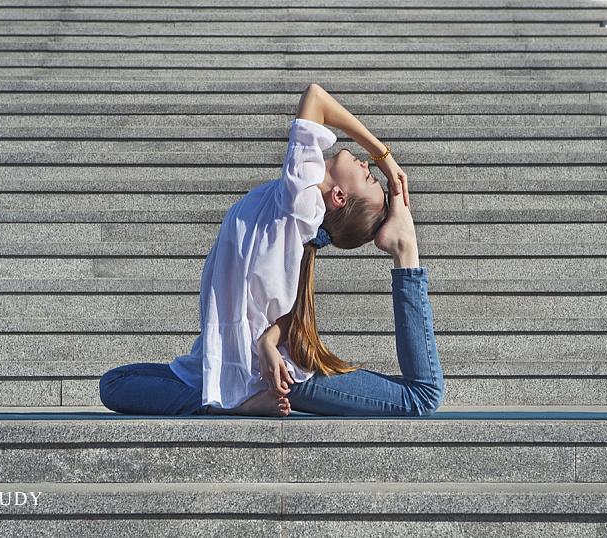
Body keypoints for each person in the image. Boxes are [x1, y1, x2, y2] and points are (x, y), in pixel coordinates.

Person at [99, 84, 443, 416]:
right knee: (114, 382)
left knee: (422, 395)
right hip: (228, 364)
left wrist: (384, 157)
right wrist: (267, 341)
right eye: (371, 171)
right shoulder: (293, 209)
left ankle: (405, 249)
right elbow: (287, 308)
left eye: (368, 177)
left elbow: (316, 97)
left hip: (281, 375)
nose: (367, 165)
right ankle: (226, 401)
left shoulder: (301, 201)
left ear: (338, 196)